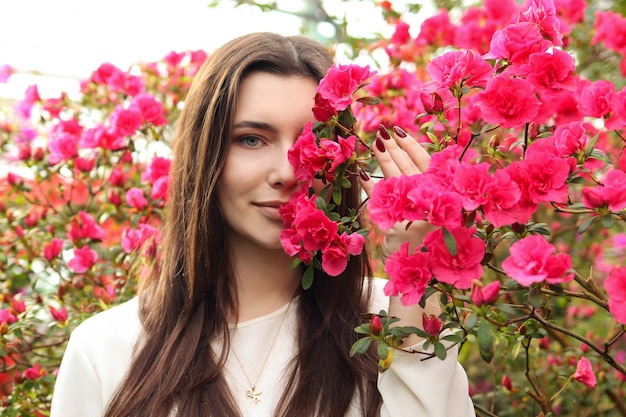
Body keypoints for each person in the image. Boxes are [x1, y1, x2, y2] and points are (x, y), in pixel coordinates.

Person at [50, 32, 475, 417]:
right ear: (206, 157)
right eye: (252, 139)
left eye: (314, 140)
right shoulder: (106, 348)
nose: (288, 172)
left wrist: (414, 282)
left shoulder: (389, 319)